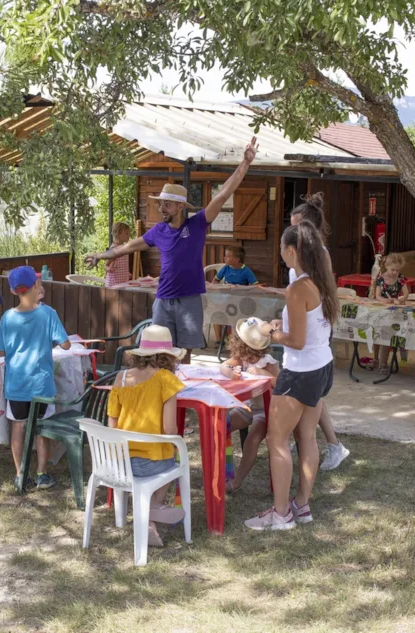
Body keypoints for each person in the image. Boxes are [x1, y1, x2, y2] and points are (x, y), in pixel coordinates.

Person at [84, 138, 259, 359]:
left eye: (166, 204)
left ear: (179, 206)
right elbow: (125, 248)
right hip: (163, 300)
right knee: (160, 352)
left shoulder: (196, 225)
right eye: (159, 203)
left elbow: (223, 194)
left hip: (189, 300)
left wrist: (245, 163)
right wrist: (99, 255)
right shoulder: (158, 231)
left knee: (184, 355)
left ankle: (181, 389)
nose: (161, 208)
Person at [245, 222, 339, 531]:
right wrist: (280, 326)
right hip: (322, 364)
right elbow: (308, 331)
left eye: (282, 250)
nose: (281, 256)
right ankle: (301, 504)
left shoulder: (297, 288)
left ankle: (281, 513)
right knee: (308, 436)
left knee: (277, 440)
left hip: (301, 371)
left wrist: (271, 331)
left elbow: (296, 341)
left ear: (292, 250)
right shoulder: (321, 281)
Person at [107, 325, 187, 547]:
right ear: (167, 357)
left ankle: (149, 518)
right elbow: (170, 429)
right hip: (151, 463)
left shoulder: (121, 378)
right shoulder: (165, 379)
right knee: (173, 458)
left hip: (119, 463)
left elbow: (111, 421)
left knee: (164, 458)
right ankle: (151, 513)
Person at [287, 193, 350, 471]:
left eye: (295, 227)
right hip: (310, 330)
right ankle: (325, 443)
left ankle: (329, 445)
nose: (290, 232)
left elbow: (310, 296)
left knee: (312, 393)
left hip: (311, 334)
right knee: (312, 394)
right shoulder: (307, 253)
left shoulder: (316, 255)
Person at [0, 266, 71, 492]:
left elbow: (0, 352)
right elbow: (66, 344)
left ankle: (20, 474)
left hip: (17, 385)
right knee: (41, 429)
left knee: (18, 427)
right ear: (36, 286)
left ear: (12, 290)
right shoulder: (48, 314)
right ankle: (41, 474)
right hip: (41, 384)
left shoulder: (7, 317)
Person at [220, 317, 278, 493]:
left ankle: (237, 481)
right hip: (247, 407)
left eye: (253, 354)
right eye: (247, 353)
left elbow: (280, 384)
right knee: (220, 426)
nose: (250, 358)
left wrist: (263, 373)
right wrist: (231, 373)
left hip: (267, 411)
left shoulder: (268, 362)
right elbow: (223, 366)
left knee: (252, 441)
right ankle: (219, 472)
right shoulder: (241, 359)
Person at [373, 252, 410, 374]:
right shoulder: (381, 279)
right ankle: (377, 359)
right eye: (393, 270)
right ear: (387, 266)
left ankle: (386, 362)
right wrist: (385, 300)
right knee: (379, 334)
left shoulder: (400, 278)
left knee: (391, 333)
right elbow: (377, 296)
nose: (395, 273)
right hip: (382, 311)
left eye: (397, 270)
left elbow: (406, 293)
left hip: (396, 311)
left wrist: (402, 299)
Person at [104, 222, 132, 287]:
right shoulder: (114, 249)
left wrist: (126, 273)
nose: (129, 235)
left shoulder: (123, 247)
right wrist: (109, 269)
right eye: (126, 233)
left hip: (122, 282)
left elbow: (122, 264)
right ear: (119, 234)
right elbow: (106, 265)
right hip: (114, 284)